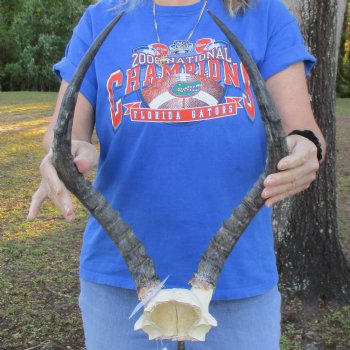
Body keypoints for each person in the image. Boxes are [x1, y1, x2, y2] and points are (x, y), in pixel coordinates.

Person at [28, 0, 326, 349]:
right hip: (119, 278)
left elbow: (303, 131)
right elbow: (65, 134)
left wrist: (306, 149)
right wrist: (68, 152)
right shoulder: (101, 18)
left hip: (238, 277)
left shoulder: (265, 15)